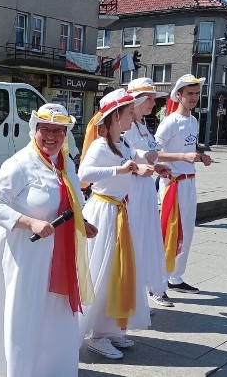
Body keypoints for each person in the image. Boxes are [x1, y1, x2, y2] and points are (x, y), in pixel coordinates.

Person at [0, 104, 98, 377]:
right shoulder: (20, 163)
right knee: (25, 315)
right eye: (45, 129)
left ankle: (52, 370)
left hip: (60, 253)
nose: (51, 136)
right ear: (34, 130)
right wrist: (30, 222)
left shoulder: (66, 163)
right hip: (26, 254)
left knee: (56, 315)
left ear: (66, 134)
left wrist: (82, 223)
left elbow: (67, 202)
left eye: (58, 131)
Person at [77, 88, 150, 359]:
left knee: (117, 270)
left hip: (118, 211)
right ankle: (96, 333)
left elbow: (138, 157)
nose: (133, 115)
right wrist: (119, 170)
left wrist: (155, 164)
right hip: (104, 211)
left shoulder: (124, 143)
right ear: (115, 116)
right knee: (103, 270)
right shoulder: (99, 144)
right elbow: (84, 173)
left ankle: (108, 328)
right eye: (129, 112)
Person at [155, 74, 212, 297]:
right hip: (172, 184)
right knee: (169, 233)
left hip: (189, 183)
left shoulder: (193, 121)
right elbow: (155, 154)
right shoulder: (169, 122)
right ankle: (157, 282)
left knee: (186, 233)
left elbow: (188, 150)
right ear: (178, 95)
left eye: (197, 94)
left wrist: (200, 156)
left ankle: (175, 277)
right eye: (189, 94)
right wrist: (182, 156)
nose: (194, 98)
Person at [123, 78, 175, 308]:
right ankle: (133, 295)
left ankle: (143, 292)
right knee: (135, 240)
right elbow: (122, 157)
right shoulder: (125, 126)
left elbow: (150, 153)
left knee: (146, 240)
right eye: (151, 99)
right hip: (130, 190)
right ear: (138, 100)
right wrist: (143, 164)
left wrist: (157, 167)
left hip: (144, 189)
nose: (154, 104)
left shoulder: (142, 124)